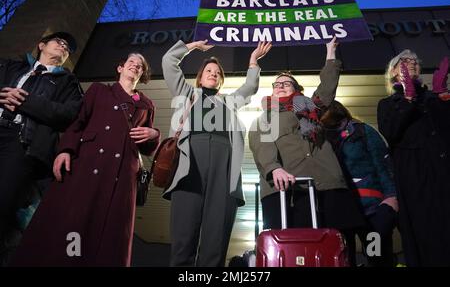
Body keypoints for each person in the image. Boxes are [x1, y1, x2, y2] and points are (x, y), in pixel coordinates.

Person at [10, 53, 160, 266]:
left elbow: (146, 147)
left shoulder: (146, 104)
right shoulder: (99, 90)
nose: (135, 66)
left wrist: (155, 134)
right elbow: (78, 121)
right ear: (120, 68)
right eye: (131, 62)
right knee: (71, 220)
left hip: (121, 174)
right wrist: (65, 150)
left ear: (142, 74)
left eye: (140, 66)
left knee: (109, 232)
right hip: (87, 162)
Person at [249, 38, 365, 259]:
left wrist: (330, 53)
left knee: (338, 248)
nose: (280, 86)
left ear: (298, 89)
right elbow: (262, 145)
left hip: (328, 185)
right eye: (277, 84)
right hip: (293, 191)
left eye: (286, 83)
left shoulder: (309, 107)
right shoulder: (265, 118)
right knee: (299, 252)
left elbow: (327, 89)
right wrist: (274, 168)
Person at [161, 39, 272, 267]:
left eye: (217, 72)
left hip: (225, 173)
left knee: (215, 246)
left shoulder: (229, 102)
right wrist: (191, 47)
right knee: (183, 243)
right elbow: (169, 60)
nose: (213, 74)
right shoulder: (186, 94)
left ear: (221, 80)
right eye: (208, 71)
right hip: (188, 170)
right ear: (200, 77)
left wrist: (253, 61)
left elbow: (250, 87)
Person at [0, 32, 83, 265]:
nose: (63, 46)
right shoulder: (11, 67)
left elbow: (69, 115)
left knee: (5, 203)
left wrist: (26, 101)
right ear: (41, 45)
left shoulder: (68, 82)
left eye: (67, 47)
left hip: (21, 144)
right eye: (59, 41)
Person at [377, 50, 450, 266]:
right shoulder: (388, 103)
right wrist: (407, 100)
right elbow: (391, 131)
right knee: (425, 229)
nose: (410, 64)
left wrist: (442, 95)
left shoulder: (432, 98)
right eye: (403, 62)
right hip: (414, 174)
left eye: (414, 62)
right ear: (392, 72)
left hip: (443, 169)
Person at [321, 100, 398, 267]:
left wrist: (391, 197)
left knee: (376, 255)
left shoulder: (362, 131)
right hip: (343, 210)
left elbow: (383, 164)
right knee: (344, 258)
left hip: (372, 210)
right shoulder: (321, 139)